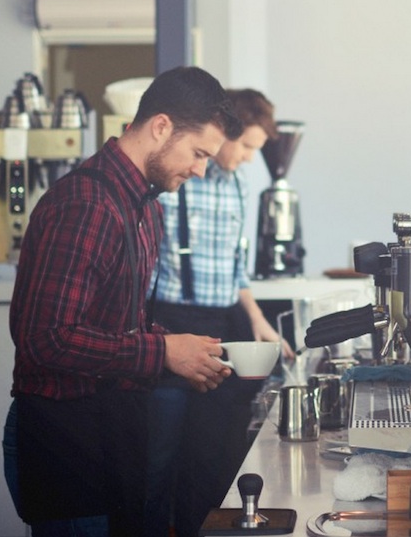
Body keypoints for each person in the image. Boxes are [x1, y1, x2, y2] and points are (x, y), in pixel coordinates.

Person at [6, 66, 243, 536]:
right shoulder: (87, 202)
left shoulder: (146, 208)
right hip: (64, 445)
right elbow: (44, 339)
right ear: (160, 127)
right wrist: (163, 352)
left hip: (112, 436)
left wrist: (179, 355)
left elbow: (116, 329)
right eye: (197, 154)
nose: (200, 170)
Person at [145, 88, 295, 537]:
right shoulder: (176, 178)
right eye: (246, 146)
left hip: (219, 326)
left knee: (210, 452)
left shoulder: (237, 183)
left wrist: (258, 322)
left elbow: (236, 269)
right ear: (224, 134)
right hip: (169, 325)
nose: (250, 158)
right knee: (159, 453)